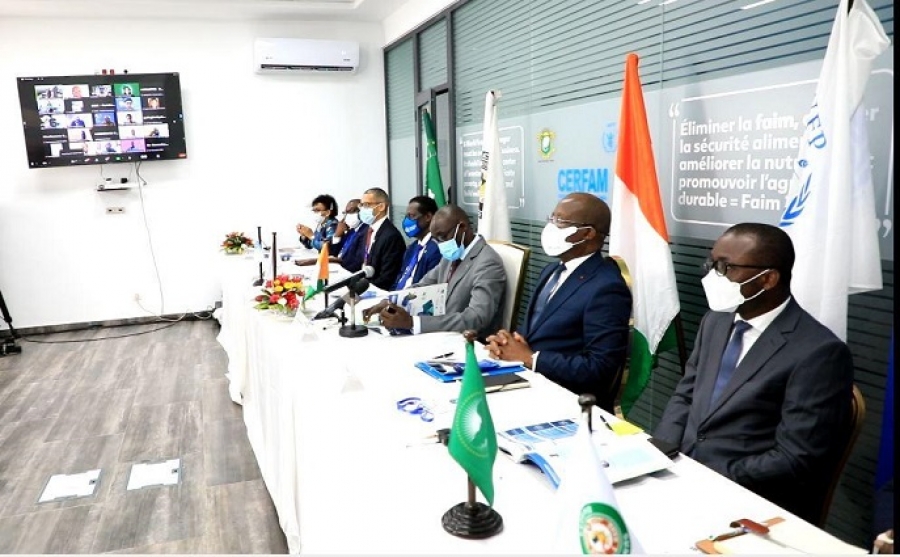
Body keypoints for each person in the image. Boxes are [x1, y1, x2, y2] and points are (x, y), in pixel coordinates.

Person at [653, 223, 854, 524]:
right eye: (711, 263)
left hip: (748, 501)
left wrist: (707, 476)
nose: (712, 276)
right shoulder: (715, 321)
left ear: (768, 279)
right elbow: (686, 393)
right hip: (682, 476)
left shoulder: (819, 352)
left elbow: (794, 458)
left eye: (726, 267)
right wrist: (661, 453)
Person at [486, 193, 631, 412]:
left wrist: (532, 359)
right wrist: (507, 344)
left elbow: (600, 369)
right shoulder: (551, 270)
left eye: (561, 221)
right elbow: (534, 332)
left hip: (567, 402)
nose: (551, 227)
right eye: (551, 218)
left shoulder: (607, 288)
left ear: (588, 233)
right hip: (528, 384)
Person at [364, 204, 506, 340]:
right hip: (439, 335)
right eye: (437, 239)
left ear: (462, 227)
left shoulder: (487, 263)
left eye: (443, 237)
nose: (441, 244)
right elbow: (423, 285)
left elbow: (477, 317)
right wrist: (392, 301)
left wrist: (413, 323)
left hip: (466, 342)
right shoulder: (452, 255)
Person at [356, 187, 406, 291]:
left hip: (378, 291)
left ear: (381, 207)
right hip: (364, 283)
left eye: (366, 205)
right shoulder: (368, 230)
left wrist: (362, 290)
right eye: (361, 205)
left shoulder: (391, 236)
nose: (362, 209)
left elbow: (387, 277)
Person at [392, 195, 441, 291]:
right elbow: (400, 277)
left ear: (428, 217)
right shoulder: (413, 247)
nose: (407, 221)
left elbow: (429, 286)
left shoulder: (436, 248)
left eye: (411, 216)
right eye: (406, 216)